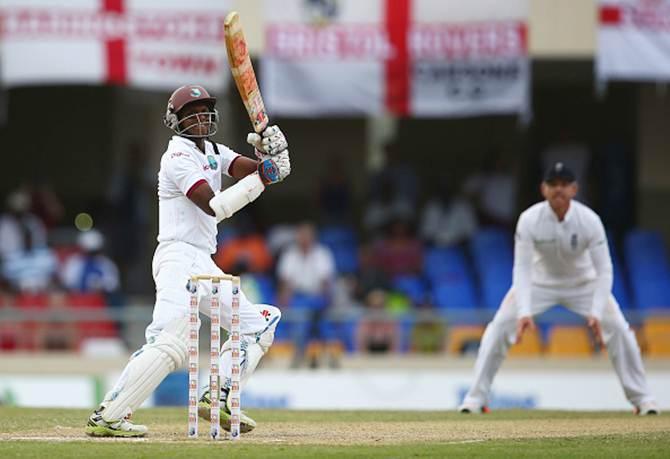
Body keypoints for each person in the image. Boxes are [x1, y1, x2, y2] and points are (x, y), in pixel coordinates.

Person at [85, 84, 291, 437]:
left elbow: (251, 170)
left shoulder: (213, 150)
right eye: (190, 113)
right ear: (175, 120)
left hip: (204, 262)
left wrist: (276, 157)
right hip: (178, 257)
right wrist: (264, 177)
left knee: (260, 323)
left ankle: (219, 396)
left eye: (204, 110)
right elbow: (216, 205)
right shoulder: (176, 157)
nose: (200, 118)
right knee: (170, 341)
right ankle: (110, 414)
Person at [458, 162, 659, 416]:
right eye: (553, 185)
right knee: (498, 328)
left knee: (619, 329)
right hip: (539, 283)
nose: (558, 190)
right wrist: (524, 312)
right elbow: (522, 268)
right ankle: (475, 399)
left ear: (574, 189)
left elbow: (605, 270)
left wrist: (595, 312)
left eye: (564, 185)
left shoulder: (589, 221)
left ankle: (643, 400)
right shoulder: (529, 220)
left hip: (583, 284)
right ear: (543, 189)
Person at [277, 222, 336, 367]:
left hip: (317, 297)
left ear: (313, 237)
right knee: (299, 320)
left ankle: (330, 356)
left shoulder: (322, 253)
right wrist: (284, 300)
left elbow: (325, 280)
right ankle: (298, 355)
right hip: (298, 297)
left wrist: (327, 300)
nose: (304, 239)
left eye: (307, 236)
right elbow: (286, 282)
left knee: (324, 323)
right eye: (301, 236)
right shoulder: (290, 254)